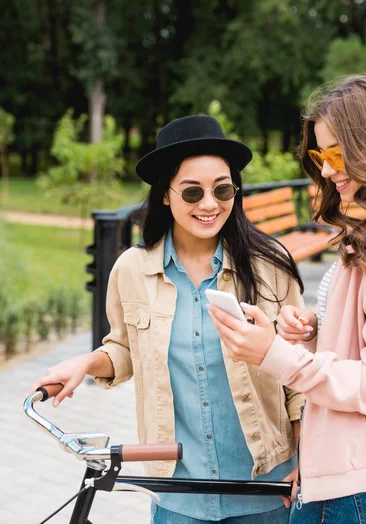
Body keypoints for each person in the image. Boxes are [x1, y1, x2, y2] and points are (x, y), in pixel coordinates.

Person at [30, 115, 306, 524]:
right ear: (164, 194)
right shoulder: (131, 270)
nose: (210, 204)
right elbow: (124, 349)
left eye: (223, 189)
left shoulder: (272, 265)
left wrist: (309, 458)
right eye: (192, 192)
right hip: (178, 495)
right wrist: (85, 363)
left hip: (267, 492)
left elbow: (299, 375)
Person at [209, 75, 366, 524]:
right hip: (345, 475)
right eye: (320, 155)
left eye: (336, 153)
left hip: (362, 490)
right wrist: (316, 331)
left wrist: (275, 355)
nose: (328, 169)